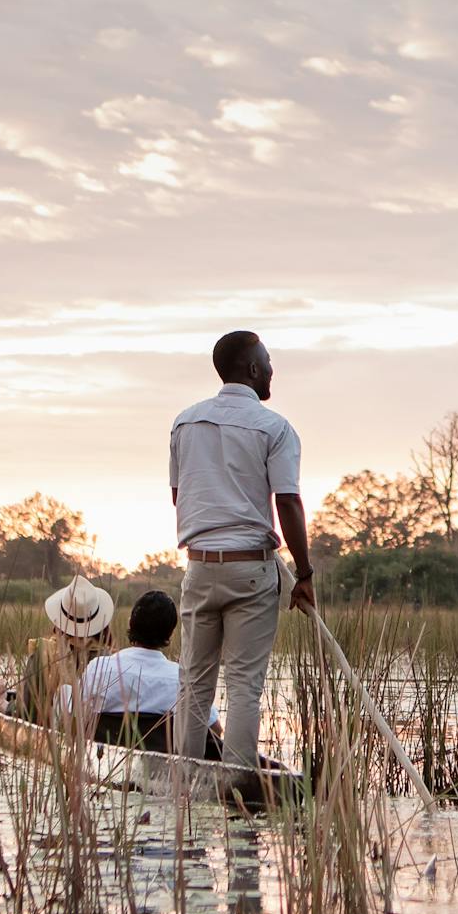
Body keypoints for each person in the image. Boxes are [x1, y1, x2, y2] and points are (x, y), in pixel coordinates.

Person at [170, 330, 314, 771]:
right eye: (268, 361)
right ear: (252, 370)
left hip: (198, 567)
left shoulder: (185, 422)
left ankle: (185, 787)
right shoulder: (276, 427)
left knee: (194, 684)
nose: (272, 369)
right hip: (251, 570)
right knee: (244, 685)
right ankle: (235, 782)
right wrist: (304, 574)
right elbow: (287, 500)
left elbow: (181, 495)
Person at [78, 589, 215, 753]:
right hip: (163, 771)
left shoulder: (98, 669)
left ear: (130, 623)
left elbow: (76, 718)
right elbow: (214, 729)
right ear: (170, 634)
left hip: (101, 765)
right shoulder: (182, 679)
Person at [19, 573, 116, 724]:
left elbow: (25, 712)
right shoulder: (109, 660)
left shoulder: (43, 653)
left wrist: (2, 703)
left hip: (46, 734)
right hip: (93, 735)